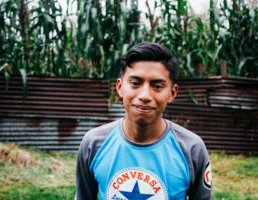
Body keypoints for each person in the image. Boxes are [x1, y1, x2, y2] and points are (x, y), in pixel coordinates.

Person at [75, 42, 212, 200]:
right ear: (120, 87)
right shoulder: (93, 144)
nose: (145, 95)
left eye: (157, 86)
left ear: (172, 93)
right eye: (135, 84)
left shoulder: (191, 149)